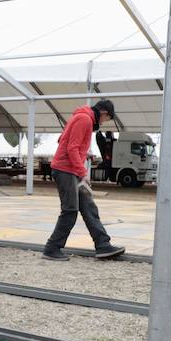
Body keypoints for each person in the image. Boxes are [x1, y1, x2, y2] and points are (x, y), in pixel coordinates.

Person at [41, 99, 125, 261]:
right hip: (65, 170)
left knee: (89, 208)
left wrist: (83, 154)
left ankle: (103, 245)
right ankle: (51, 249)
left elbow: (63, 140)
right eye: (106, 119)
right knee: (70, 210)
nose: (104, 122)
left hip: (70, 169)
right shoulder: (85, 119)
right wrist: (83, 172)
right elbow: (71, 147)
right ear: (104, 113)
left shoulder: (80, 117)